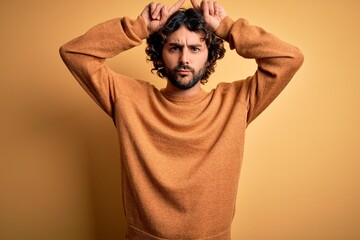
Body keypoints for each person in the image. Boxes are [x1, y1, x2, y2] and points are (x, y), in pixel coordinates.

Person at [59, 0, 304, 239]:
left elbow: (288, 59)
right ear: (160, 54)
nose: (184, 59)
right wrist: (138, 28)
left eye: (195, 48)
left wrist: (228, 28)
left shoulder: (235, 102)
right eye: (175, 47)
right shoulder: (129, 99)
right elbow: (75, 54)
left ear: (209, 56)